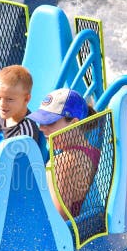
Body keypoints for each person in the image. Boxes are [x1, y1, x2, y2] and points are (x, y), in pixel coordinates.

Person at [28, 88, 98, 220]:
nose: (41, 128)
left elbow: (59, 221)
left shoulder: (61, 163)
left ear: (74, 123)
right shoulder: (95, 152)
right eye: (41, 122)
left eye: (50, 122)